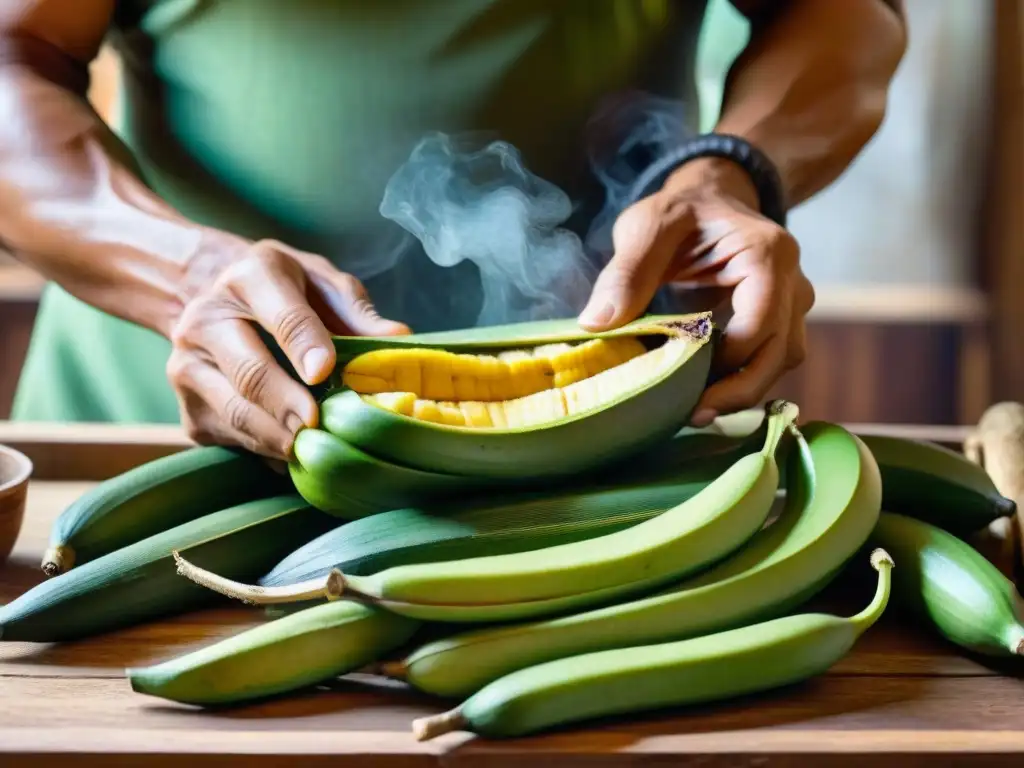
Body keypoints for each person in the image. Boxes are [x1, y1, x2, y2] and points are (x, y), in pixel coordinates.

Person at [0, 0, 906, 461]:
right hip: (157, 445)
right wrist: (186, 274)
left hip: (619, 451)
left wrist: (727, 168)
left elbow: (845, 15)